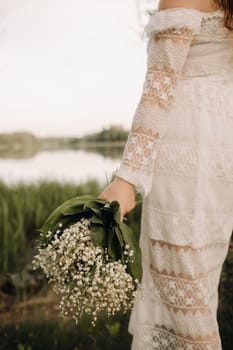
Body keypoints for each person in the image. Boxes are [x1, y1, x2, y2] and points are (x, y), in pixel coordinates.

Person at [99, 0, 233, 348]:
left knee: (186, 306)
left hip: (187, 155)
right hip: (223, 156)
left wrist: (127, 178)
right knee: (198, 295)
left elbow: (158, 92)